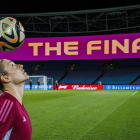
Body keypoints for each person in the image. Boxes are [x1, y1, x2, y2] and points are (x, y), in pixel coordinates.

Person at [0, 59, 32, 140]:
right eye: (12, 65)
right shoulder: (7, 105)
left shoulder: (15, 104)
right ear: (6, 78)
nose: (21, 65)